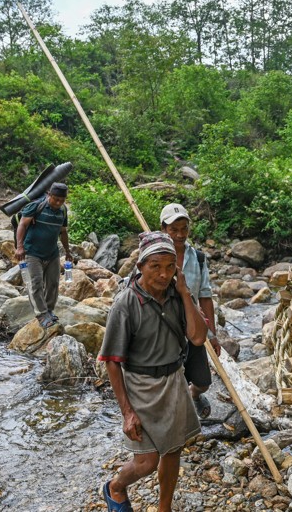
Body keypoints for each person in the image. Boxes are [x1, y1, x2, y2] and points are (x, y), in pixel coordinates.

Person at [97, 231, 208, 512]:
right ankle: (115, 487)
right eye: (155, 266)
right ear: (140, 266)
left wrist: (184, 294)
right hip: (141, 387)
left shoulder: (177, 295)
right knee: (146, 462)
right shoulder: (125, 305)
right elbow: (112, 361)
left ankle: (164, 507)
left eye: (170, 266)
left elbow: (197, 338)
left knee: (172, 451)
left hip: (174, 382)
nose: (163, 274)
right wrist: (127, 412)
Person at [160, 203, 221, 419]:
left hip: (193, 328)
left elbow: (205, 296)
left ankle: (194, 396)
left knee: (203, 381)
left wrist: (212, 335)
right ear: (163, 229)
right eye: (173, 229)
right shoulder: (156, 258)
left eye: (183, 229)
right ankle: (177, 418)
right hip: (165, 330)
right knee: (174, 380)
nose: (179, 234)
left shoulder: (198, 258)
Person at [14, 182, 71, 329]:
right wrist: (19, 247)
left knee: (53, 283)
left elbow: (63, 232)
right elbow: (22, 225)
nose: (58, 203)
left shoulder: (62, 211)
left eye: (61, 200)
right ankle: (41, 314)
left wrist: (68, 251)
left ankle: (49, 311)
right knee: (35, 283)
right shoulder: (36, 207)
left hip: (52, 253)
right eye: (55, 199)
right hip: (32, 253)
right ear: (49, 195)